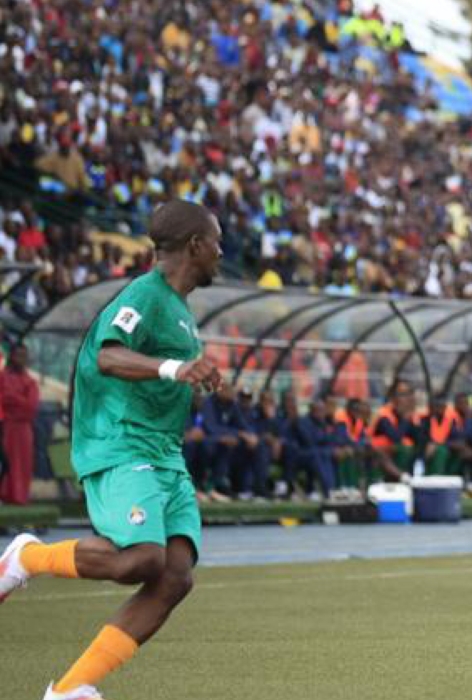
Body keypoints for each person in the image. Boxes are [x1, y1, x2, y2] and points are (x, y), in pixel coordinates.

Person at [0, 199, 224, 699]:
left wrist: (199, 377)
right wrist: (175, 369)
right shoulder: (145, 294)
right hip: (121, 442)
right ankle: (28, 558)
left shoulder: (180, 312)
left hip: (165, 453)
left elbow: (162, 373)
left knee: (174, 577)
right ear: (195, 245)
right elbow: (108, 355)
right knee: (140, 559)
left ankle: (69, 691)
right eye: (217, 241)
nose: (222, 251)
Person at [0, 344, 40, 505]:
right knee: (6, 462)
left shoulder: (30, 382)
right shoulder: (2, 378)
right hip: (5, 428)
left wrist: (12, 399)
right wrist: (17, 400)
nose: (21, 359)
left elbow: (31, 408)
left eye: (24, 355)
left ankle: (19, 497)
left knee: (22, 465)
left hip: (23, 430)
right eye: (18, 355)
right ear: (11, 356)